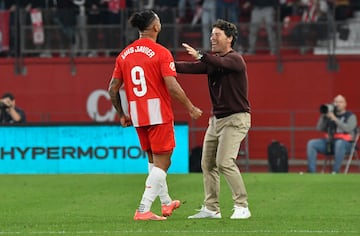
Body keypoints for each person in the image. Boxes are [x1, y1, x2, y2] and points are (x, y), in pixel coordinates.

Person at [108, 10, 203, 221]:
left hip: (138, 114)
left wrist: (122, 114)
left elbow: (113, 88)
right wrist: (190, 106)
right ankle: (143, 209)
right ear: (156, 27)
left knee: (153, 161)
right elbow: (172, 85)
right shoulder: (161, 52)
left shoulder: (124, 54)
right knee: (164, 162)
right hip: (158, 113)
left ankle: (166, 203)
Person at [175, 19, 251, 219]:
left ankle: (242, 206)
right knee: (207, 163)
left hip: (236, 118)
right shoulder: (212, 62)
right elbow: (187, 68)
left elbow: (219, 62)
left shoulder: (235, 59)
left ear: (230, 38)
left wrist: (201, 55)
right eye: (211, 35)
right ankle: (211, 208)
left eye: (217, 34)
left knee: (224, 161)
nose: (212, 38)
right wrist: (163, 64)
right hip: (216, 120)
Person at [307, 94, 358, 174]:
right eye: (336, 102)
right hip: (330, 143)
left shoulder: (350, 116)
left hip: (347, 144)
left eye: (340, 102)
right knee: (311, 143)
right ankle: (311, 171)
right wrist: (323, 116)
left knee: (339, 143)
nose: (338, 104)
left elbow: (348, 129)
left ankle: (335, 171)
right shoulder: (329, 115)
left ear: (345, 104)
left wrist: (335, 119)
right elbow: (319, 128)